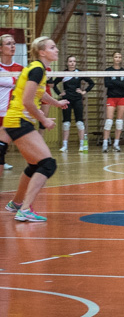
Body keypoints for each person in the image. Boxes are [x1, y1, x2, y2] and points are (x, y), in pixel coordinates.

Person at [1, 37, 68, 222]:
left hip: (16, 121)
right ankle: (25, 209)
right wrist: (44, 120)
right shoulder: (37, 69)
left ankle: (16, 203)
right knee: (48, 164)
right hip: (19, 121)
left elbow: (39, 93)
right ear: (42, 52)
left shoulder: (38, 69)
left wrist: (56, 103)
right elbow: (27, 101)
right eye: (52, 47)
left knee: (34, 165)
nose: (56, 50)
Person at [50, 56, 95, 152]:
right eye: (70, 61)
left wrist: (84, 91)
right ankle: (65, 146)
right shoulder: (63, 74)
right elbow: (53, 84)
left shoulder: (79, 73)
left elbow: (91, 83)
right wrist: (59, 93)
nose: (72, 63)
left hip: (77, 99)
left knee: (79, 123)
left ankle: (82, 145)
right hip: (66, 100)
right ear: (67, 63)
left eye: (74, 61)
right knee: (66, 123)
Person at [1, 34, 24, 171]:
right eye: (8, 44)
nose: (12, 46)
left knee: (3, 141)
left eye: (14, 43)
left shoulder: (20, 69)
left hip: (9, 112)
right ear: (0, 48)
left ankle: (2, 160)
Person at [102, 51, 124, 153]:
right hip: (111, 97)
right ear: (113, 58)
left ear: (121, 59)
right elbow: (107, 84)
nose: (117, 58)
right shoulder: (108, 70)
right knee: (109, 121)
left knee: (119, 121)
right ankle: (105, 143)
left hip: (121, 97)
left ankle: (116, 144)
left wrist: (114, 81)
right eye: (116, 57)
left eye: (119, 57)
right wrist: (119, 83)